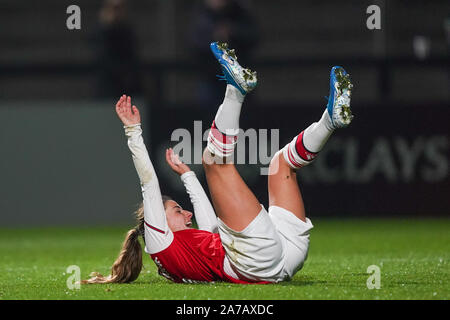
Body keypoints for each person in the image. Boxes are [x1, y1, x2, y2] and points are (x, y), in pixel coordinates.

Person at [82, 42, 353, 284]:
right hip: (254, 258)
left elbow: (211, 224)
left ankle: (330, 120)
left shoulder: (188, 249)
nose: (187, 214)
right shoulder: (158, 242)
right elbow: (149, 183)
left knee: (280, 165)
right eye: (177, 211)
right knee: (213, 160)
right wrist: (133, 132)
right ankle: (235, 91)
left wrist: (188, 176)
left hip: (282, 257)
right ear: (156, 222)